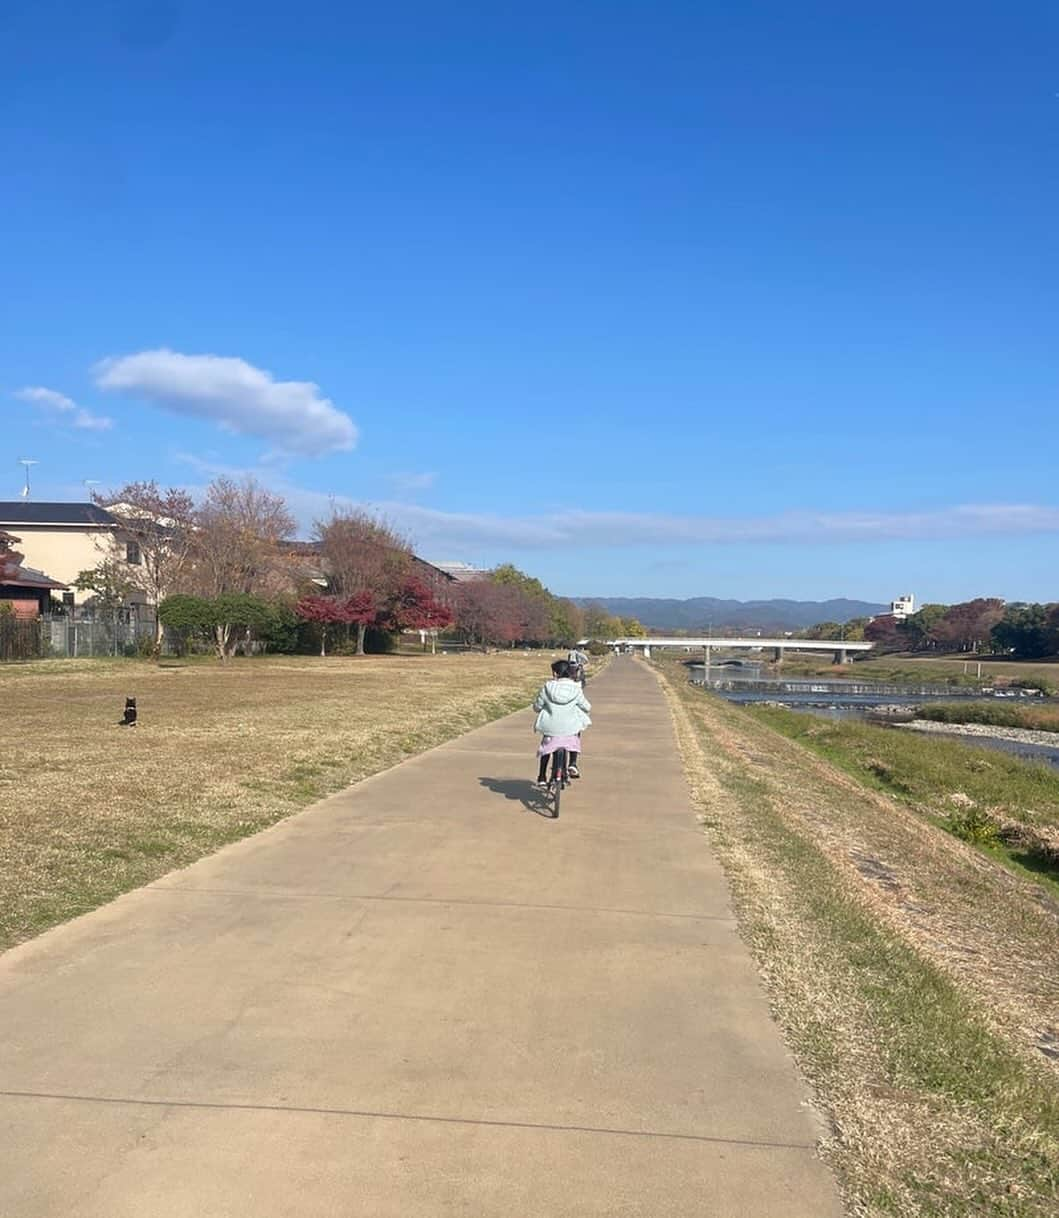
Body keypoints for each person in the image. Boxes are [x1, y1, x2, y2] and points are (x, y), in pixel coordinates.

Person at [533, 659, 591, 785]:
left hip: (551, 727)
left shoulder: (547, 687)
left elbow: (537, 706)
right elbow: (587, 707)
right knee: (577, 730)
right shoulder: (576, 688)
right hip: (569, 728)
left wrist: (541, 708)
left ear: (555, 673)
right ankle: (573, 763)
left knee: (546, 748)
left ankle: (542, 776)